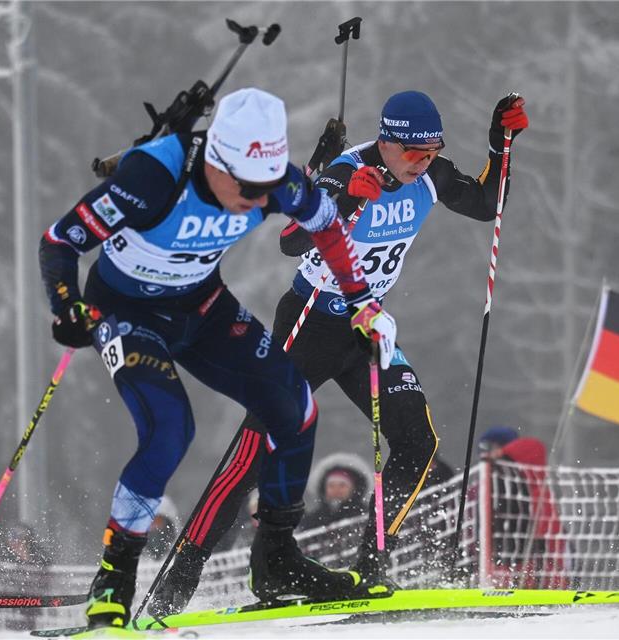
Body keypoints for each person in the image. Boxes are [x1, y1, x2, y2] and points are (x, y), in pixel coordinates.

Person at [147, 90, 528, 617]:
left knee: (417, 440)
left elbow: (488, 205)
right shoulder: (345, 170)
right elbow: (291, 241)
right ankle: (182, 572)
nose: (425, 164)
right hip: (311, 323)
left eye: (434, 152)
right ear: (387, 143)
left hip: (368, 327)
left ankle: (371, 563)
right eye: (415, 154)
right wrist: (346, 200)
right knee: (258, 445)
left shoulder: (431, 175)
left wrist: (500, 141)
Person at [38, 87, 398, 628]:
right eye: (247, 188)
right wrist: (66, 307)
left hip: (200, 307)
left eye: (266, 187)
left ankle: (276, 559)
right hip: (126, 311)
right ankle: (113, 580)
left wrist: (362, 303)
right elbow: (60, 241)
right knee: (170, 430)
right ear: (215, 161)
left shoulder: (275, 182)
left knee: (295, 406)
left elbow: (327, 227)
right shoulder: (152, 176)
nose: (258, 200)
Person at [478, 426, 566, 589]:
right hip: (520, 532)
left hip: (536, 526)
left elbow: (533, 446)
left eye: (491, 448)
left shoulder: (520, 461)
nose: (486, 455)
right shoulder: (501, 473)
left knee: (541, 564)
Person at [299, 453, 373, 531]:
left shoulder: (365, 515)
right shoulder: (312, 520)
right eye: (331, 485)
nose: (336, 490)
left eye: (342, 485)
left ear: (354, 489)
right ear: (324, 489)